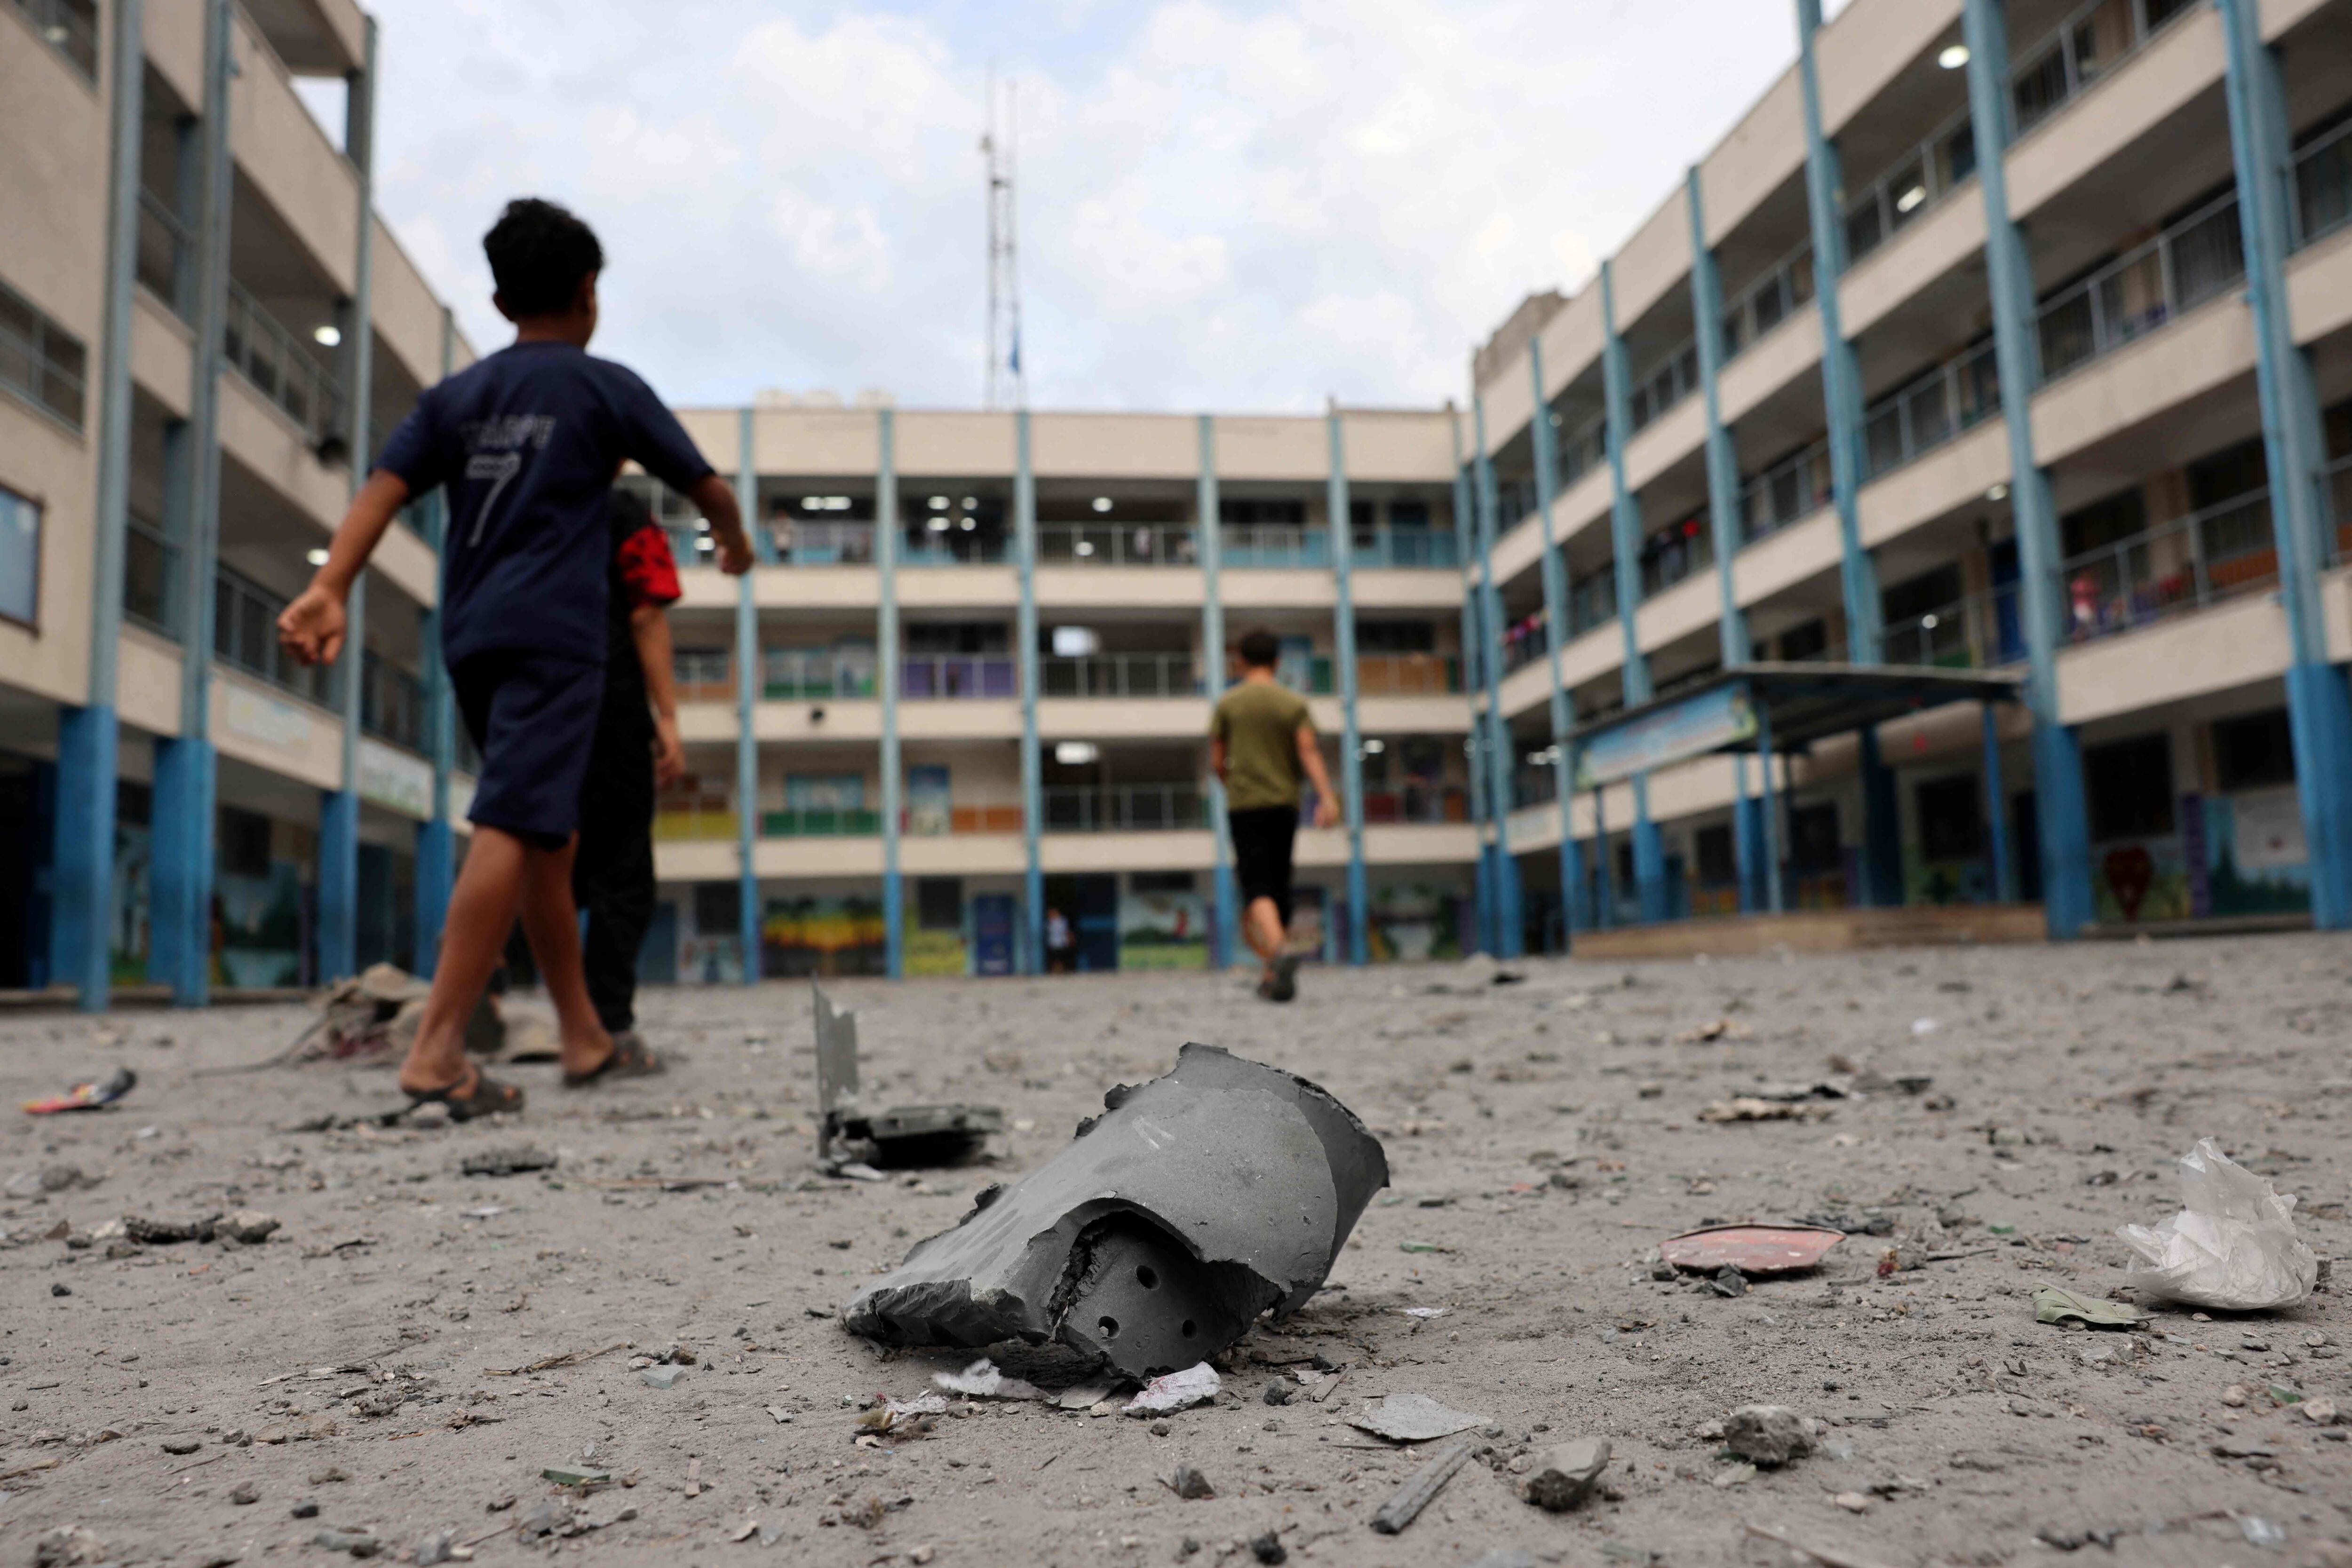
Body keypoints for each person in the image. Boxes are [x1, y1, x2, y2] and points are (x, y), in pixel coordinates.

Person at [277, 197, 752, 1118]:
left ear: (499, 302)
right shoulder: (603, 386)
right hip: (555, 638)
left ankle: (582, 1033)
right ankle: (437, 1048)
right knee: (513, 816)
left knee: (546, 827)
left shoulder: (457, 397)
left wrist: (333, 582)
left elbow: (383, 487)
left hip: (474, 637)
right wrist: (732, 539)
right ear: (588, 292)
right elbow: (706, 484)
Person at [571, 484, 686, 1061]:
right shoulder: (620, 510)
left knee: (527, 854)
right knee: (622, 873)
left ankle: (477, 1002)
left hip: (518, 696)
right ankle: (605, 1025)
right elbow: (646, 610)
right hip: (603, 698)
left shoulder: (519, 500)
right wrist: (666, 716)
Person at [1209, 626, 1340, 1002]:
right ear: (1277, 662)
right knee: (1280, 884)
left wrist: (1231, 783)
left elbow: (1217, 760)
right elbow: (1308, 750)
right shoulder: (1292, 703)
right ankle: (1273, 977)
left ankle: (1280, 952)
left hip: (1246, 803)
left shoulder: (1229, 704)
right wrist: (1327, 798)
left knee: (1257, 886)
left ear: (1241, 660)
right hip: (1285, 803)